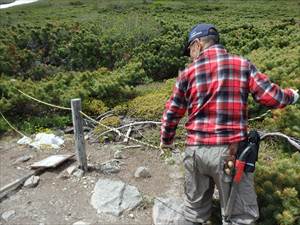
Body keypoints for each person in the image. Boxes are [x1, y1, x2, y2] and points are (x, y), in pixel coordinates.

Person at [160, 23, 299, 225]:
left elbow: (172, 112)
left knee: (193, 213)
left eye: (189, 49)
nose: (190, 55)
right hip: (229, 153)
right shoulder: (242, 65)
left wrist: (166, 140)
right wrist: (293, 96)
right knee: (240, 217)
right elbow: (271, 97)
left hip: (195, 153)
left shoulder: (187, 73)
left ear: (198, 44)